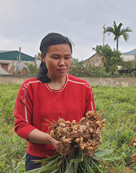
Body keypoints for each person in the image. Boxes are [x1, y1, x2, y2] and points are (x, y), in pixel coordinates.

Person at [14, 33, 96, 171]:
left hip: (76, 159)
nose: (62, 63)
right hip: (40, 161)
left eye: (67, 57)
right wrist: (50, 139)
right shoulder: (29, 87)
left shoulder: (83, 87)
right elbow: (21, 125)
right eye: (56, 57)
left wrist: (92, 143)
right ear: (43, 57)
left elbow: (93, 123)